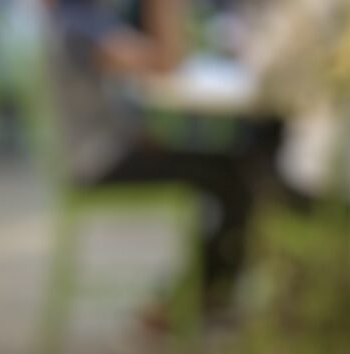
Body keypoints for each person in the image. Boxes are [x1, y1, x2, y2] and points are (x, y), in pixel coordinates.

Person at [46, 0, 254, 308]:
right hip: (100, 160)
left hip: (110, 149)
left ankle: (197, 294)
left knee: (232, 166)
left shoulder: (83, 18)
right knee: (236, 175)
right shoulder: (77, 23)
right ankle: (191, 298)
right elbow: (166, 62)